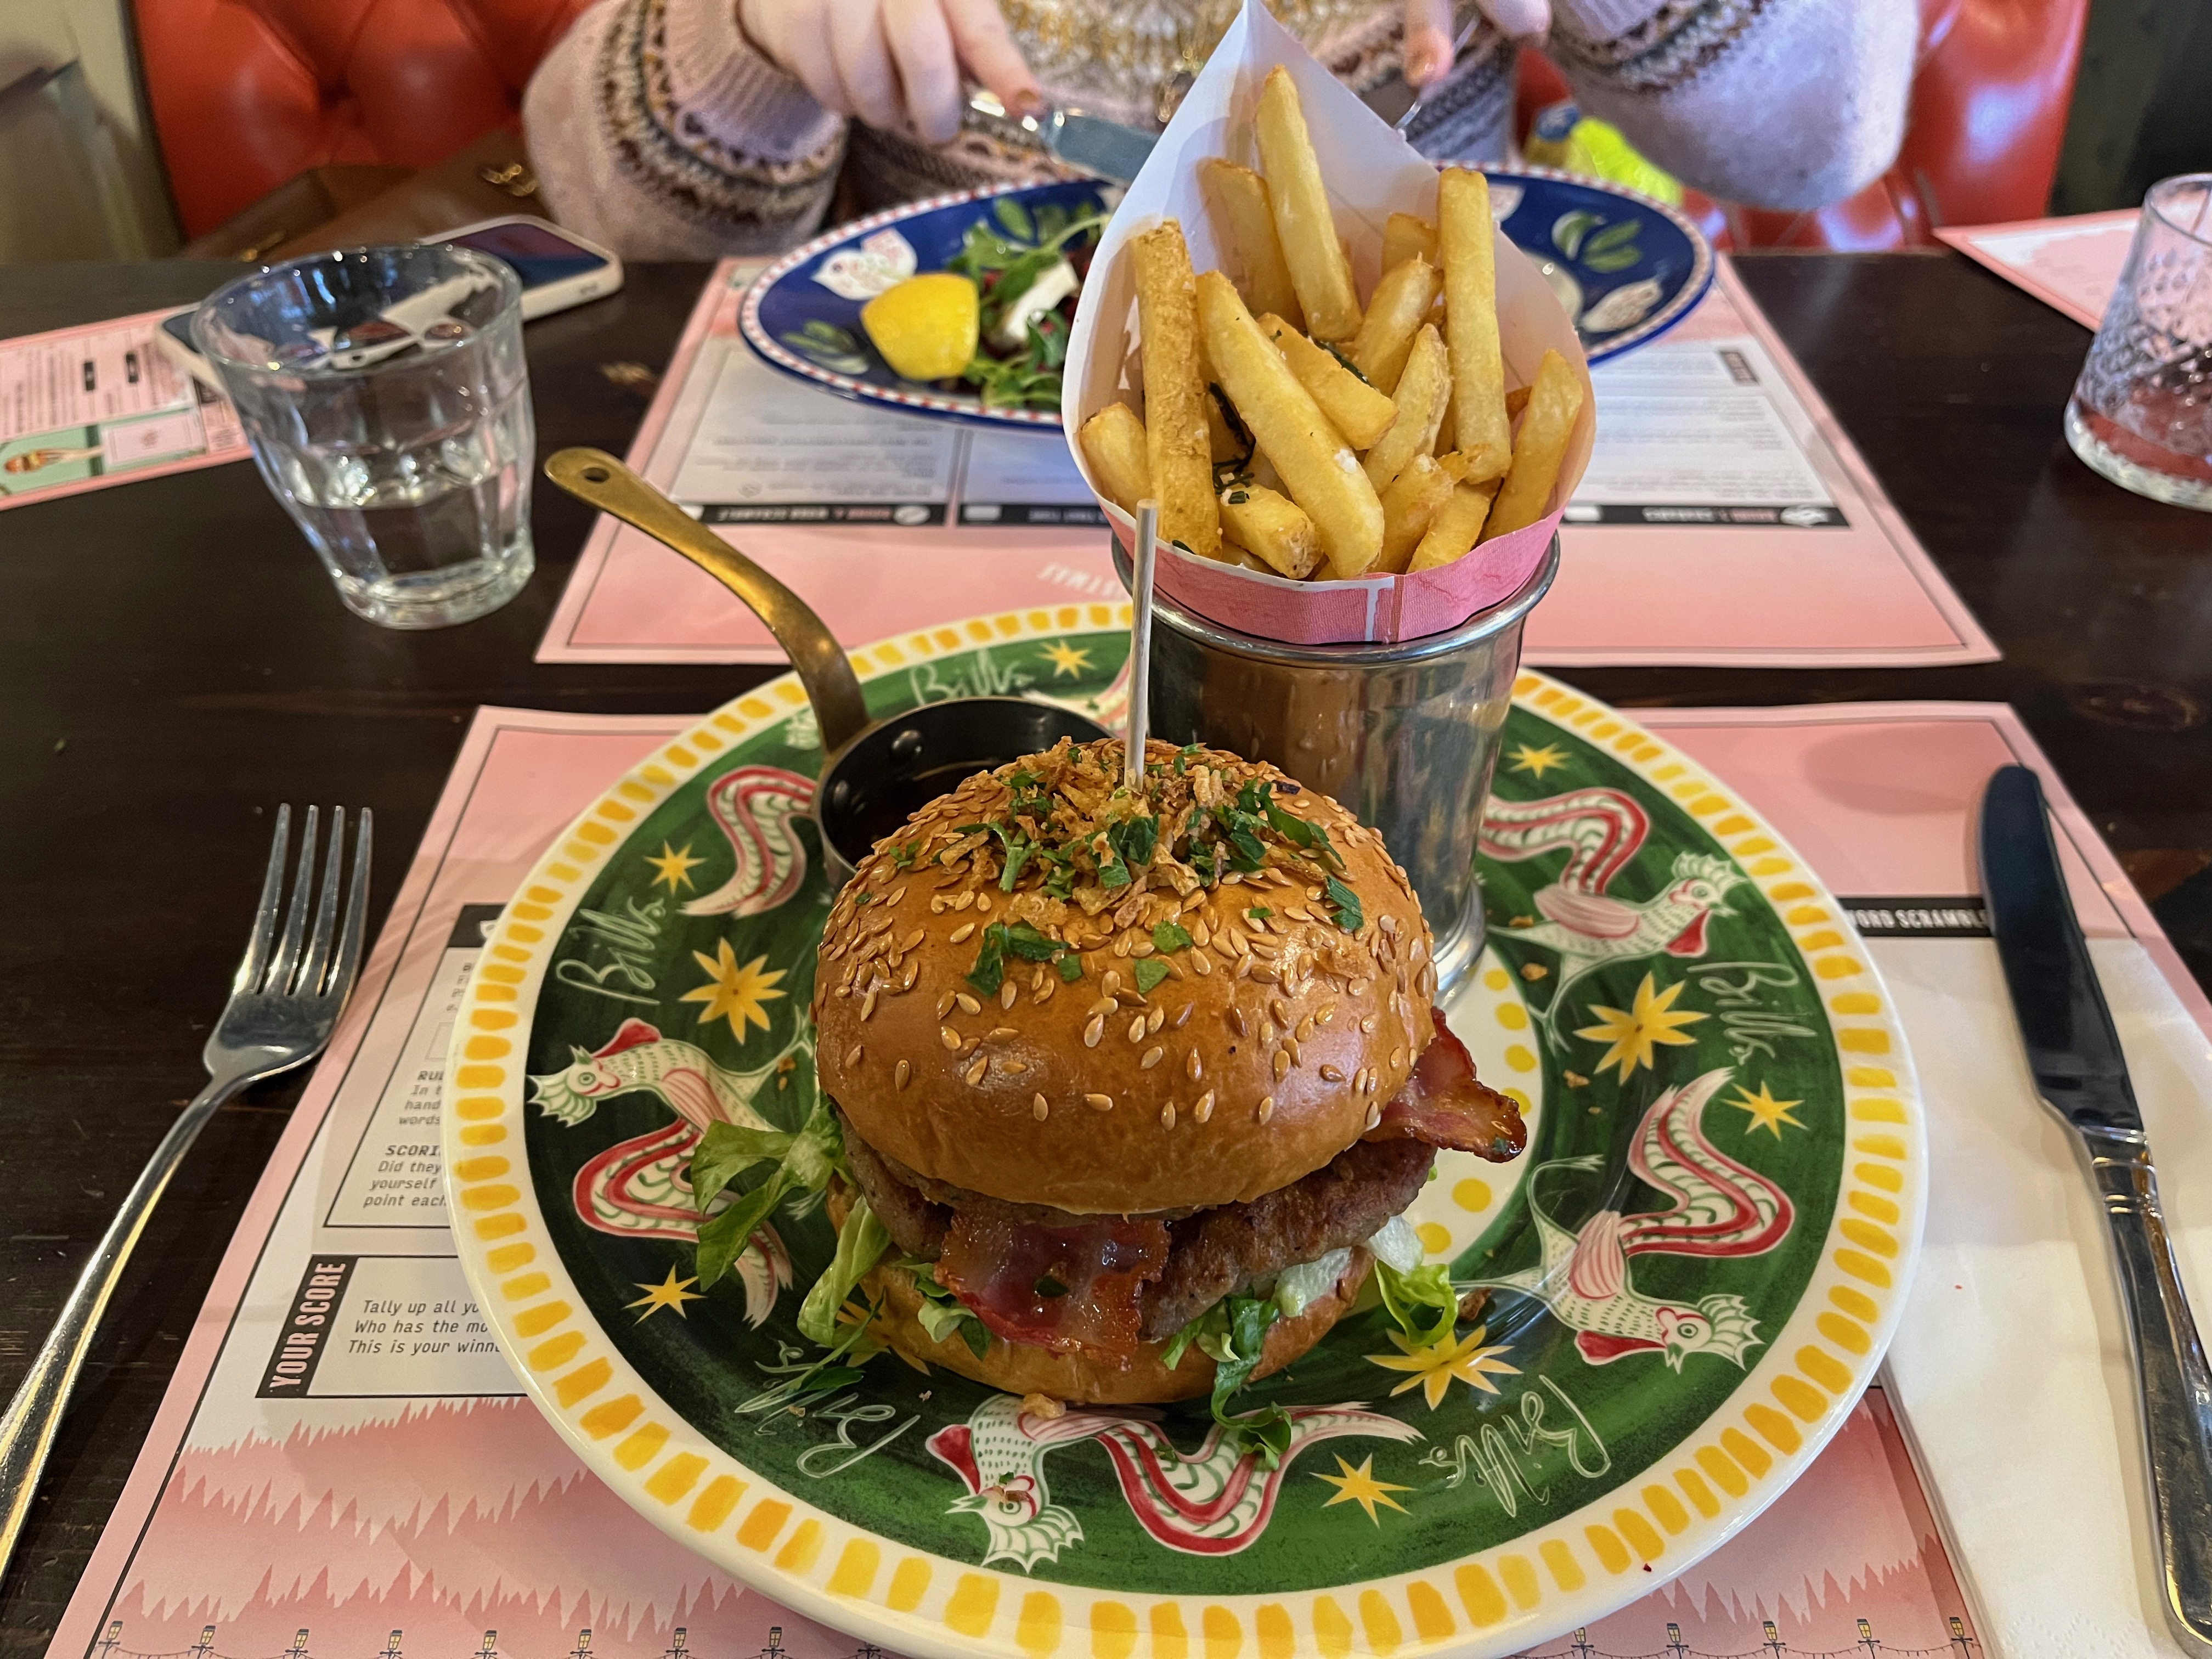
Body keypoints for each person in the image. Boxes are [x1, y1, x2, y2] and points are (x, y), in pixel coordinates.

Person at [524, 0, 1916, 261]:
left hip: (1426, 492)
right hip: (933, 486)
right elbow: (601, 210)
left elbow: (1826, 147)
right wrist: (752, 34)